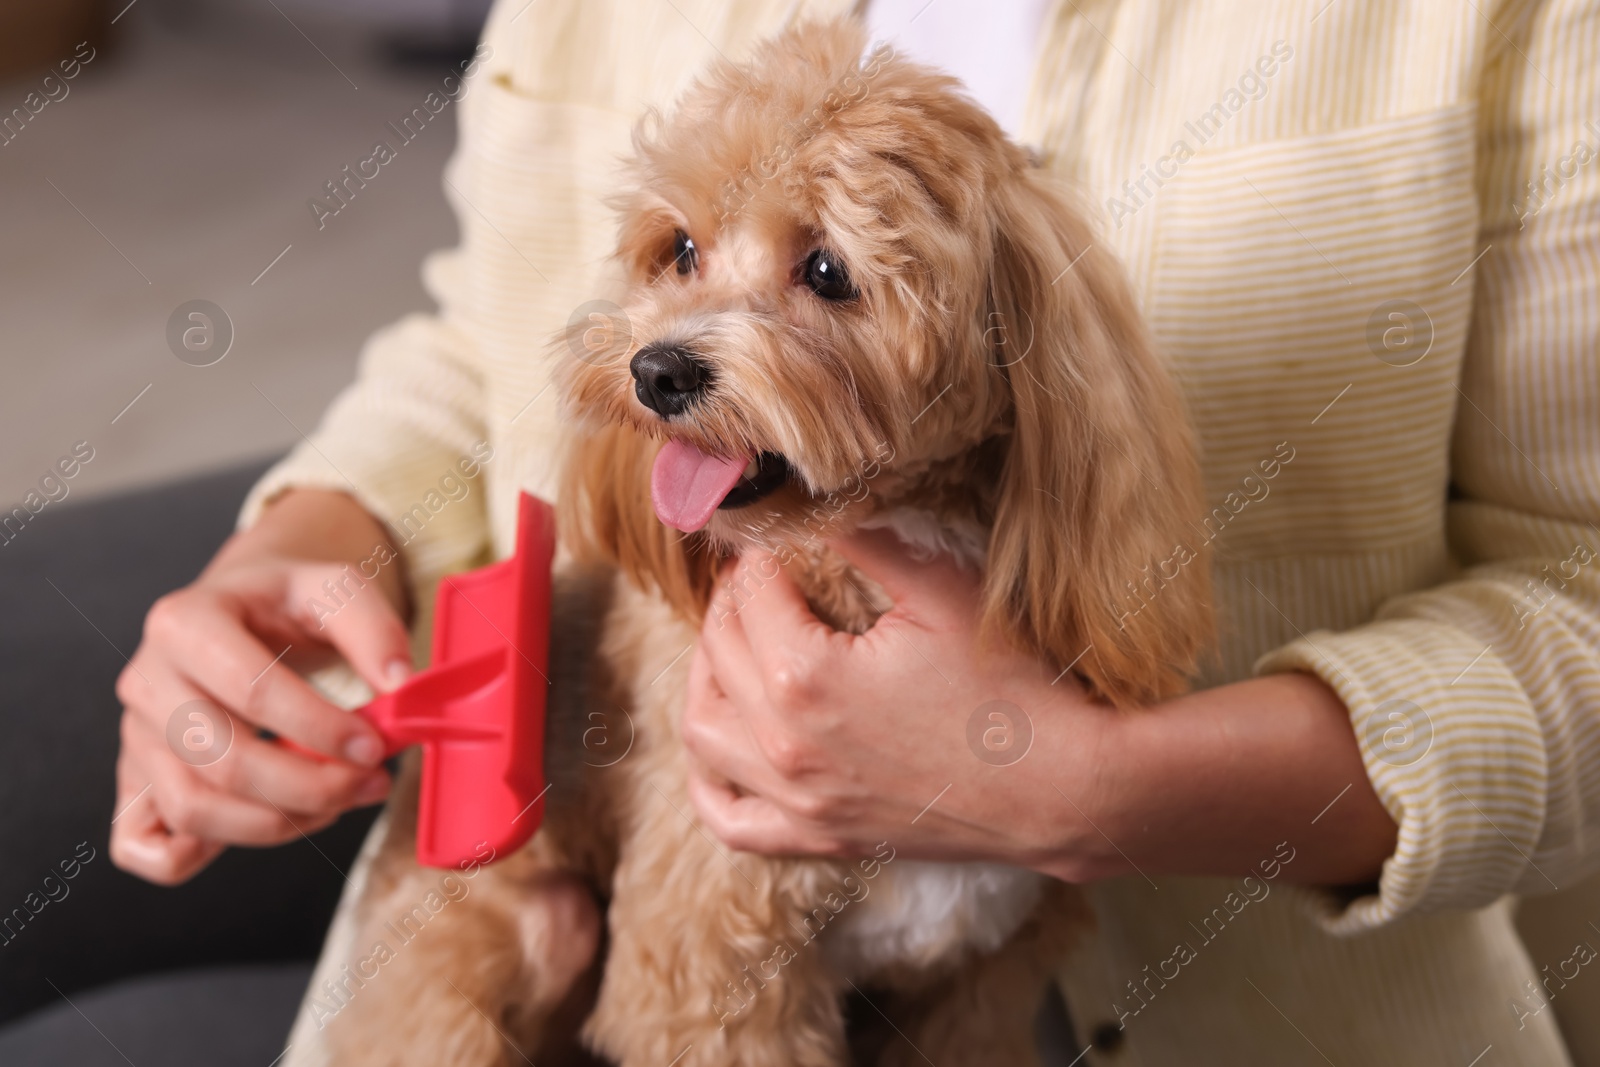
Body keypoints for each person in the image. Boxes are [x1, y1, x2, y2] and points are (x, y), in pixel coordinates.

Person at [111, 0, 1600, 1063]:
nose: (681, 340)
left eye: (821, 274)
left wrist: (1100, 793)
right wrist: (297, 551)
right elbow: (476, 354)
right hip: (534, 906)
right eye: (682, 253)